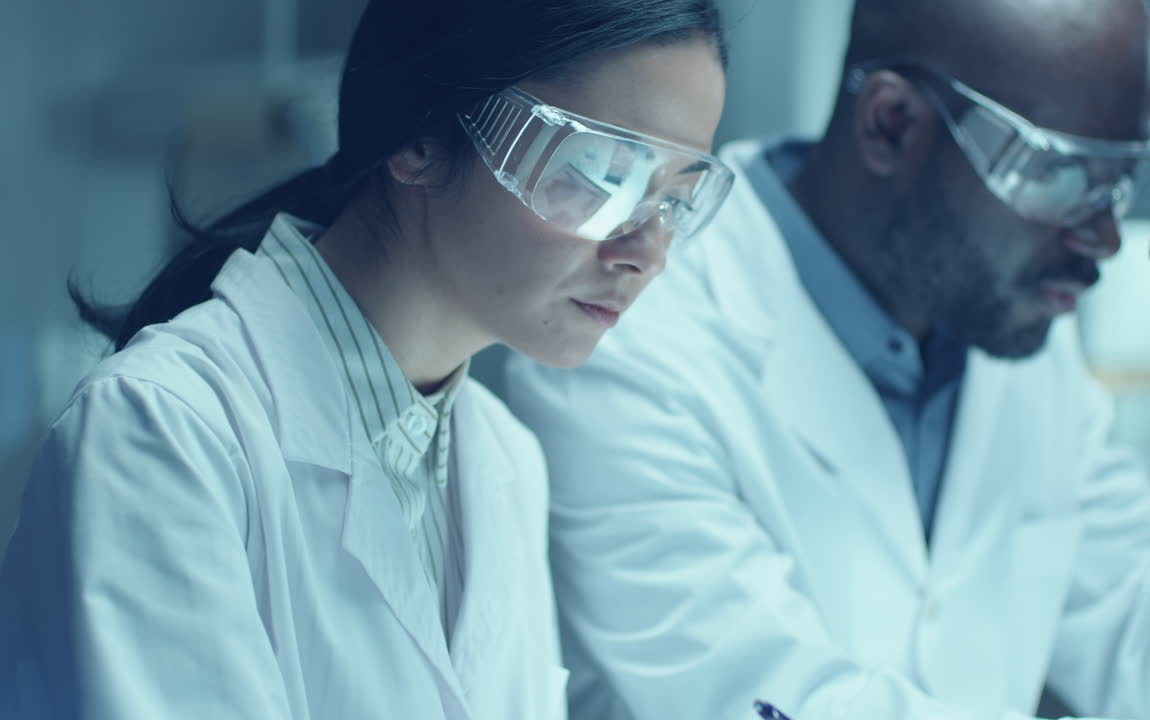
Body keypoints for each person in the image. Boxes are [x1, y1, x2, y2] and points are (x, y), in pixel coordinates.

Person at [504, 0, 1150, 718]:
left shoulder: (1015, 335)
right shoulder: (629, 336)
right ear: (892, 124)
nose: (1106, 238)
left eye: (1123, 182)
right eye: (1063, 175)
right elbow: (769, 697)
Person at [0, 0, 733, 717]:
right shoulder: (163, 433)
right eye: (604, 174)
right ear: (420, 136)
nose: (648, 253)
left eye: (675, 200)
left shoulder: (507, 463)